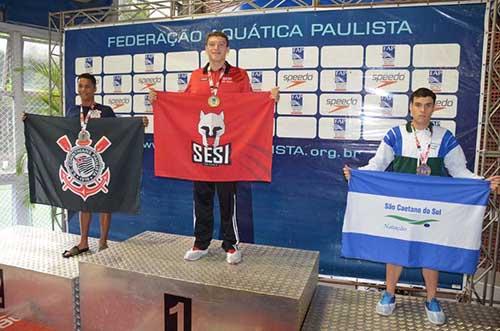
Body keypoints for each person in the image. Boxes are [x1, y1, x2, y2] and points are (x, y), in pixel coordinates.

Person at [343, 87, 500, 325]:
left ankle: (432, 299)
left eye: (428, 105)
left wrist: (483, 183)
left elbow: (459, 171)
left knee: (431, 252)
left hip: (430, 207)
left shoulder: (444, 137)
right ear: (410, 107)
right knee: (394, 247)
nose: (423, 110)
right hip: (400, 206)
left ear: (434, 107)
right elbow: (377, 165)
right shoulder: (395, 135)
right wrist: (356, 174)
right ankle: (389, 294)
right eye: (418, 105)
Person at [150, 31, 279, 265]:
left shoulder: (240, 76)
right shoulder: (197, 76)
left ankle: (231, 245)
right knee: (201, 199)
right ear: (206, 48)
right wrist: (159, 101)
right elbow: (184, 105)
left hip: (229, 152)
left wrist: (268, 99)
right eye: (212, 44)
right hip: (201, 152)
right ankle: (201, 243)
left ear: (227, 49)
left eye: (221, 45)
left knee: (228, 201)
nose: (216, 48)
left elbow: (250, 107)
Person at [61, 73, 148, 257]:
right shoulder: (72, 111)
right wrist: (29, 120)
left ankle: (103, 243)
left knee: (104, 203)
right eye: (80, 86)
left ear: (94, 89)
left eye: (87, 86)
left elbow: (119, 131)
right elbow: (63, 133)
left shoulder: (106, 110)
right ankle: (83, 243)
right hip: (81, 163)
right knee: (83, 203)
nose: (83, 90)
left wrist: (138, 123)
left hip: (102, 161)